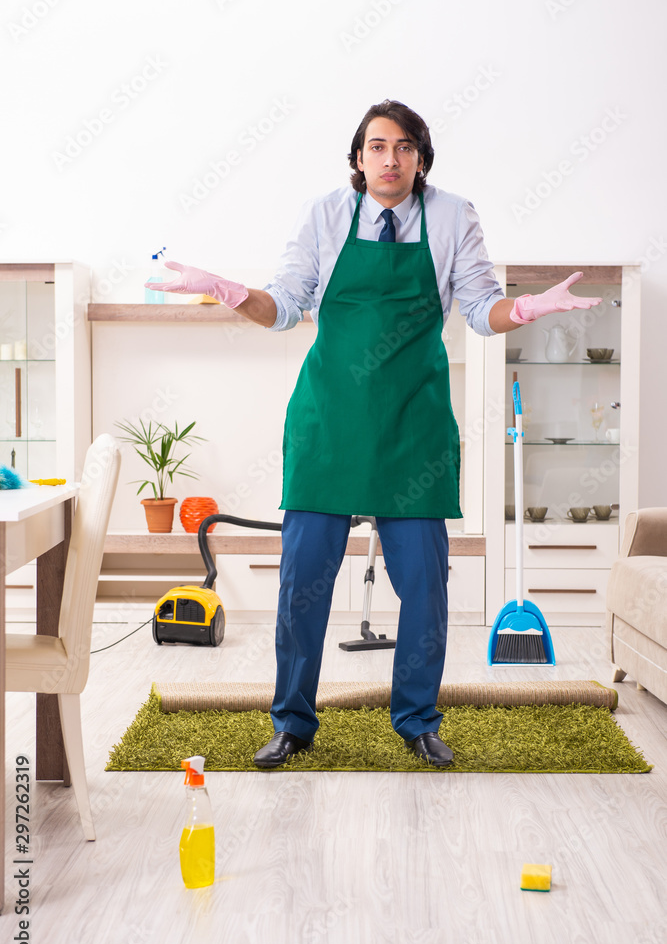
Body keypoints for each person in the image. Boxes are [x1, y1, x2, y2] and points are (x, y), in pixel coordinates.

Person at [146, 99, 601, 770]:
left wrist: (527, 307)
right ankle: (292, 723)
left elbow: (479, 309)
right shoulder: (325, 214)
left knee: (424, 585)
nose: (391, 159)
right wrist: (227, 289)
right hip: (328, 423)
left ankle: (417, 720)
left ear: (421, 157)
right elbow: (284, 308)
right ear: (358, 158)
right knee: (304, 582)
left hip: (412, 428)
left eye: (404, 147)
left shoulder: (452, 215)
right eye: (377, 146)